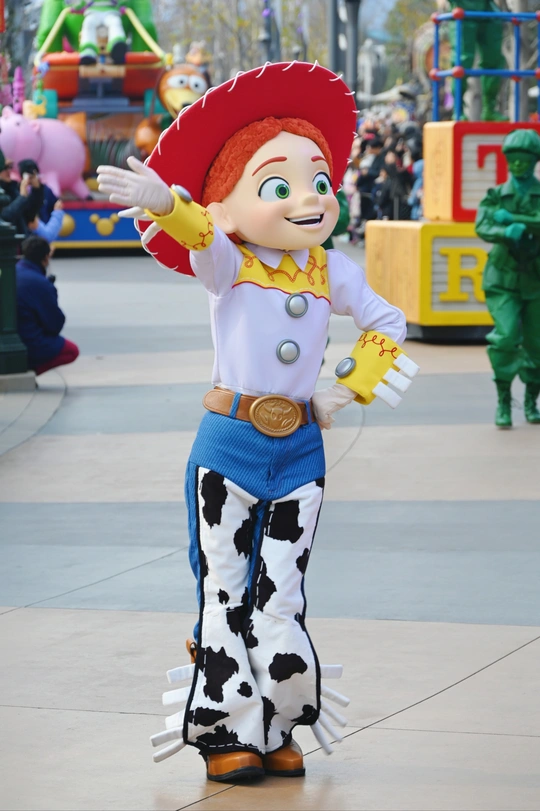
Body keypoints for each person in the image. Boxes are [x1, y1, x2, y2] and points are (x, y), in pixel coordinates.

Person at [97, 62, 419, 783]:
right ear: (229, 206)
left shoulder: (327, 267)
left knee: (283, 591)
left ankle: (278, 722)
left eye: (320, 182)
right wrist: (167, 203)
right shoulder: (227, 261)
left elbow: (388, 321)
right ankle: (224, 729)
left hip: (300, 450)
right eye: (280, 186)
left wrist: (346, 389)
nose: (309, 198)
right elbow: (198, 235)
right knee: (224, 587)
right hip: (231, 446)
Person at [475, 129, 540, 427]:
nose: (518, 164)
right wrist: (504, 232)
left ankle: (530, 401)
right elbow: (482, 225)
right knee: (506, 338)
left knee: (536, 345)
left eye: (524, 158)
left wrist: (514, 219)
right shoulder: (496, 195)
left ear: (534, 160)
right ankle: (503, 399)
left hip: (535, 280)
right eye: (512, 158)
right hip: (503, 279)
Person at [16, 235, 79, 375]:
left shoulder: (13, 271)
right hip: (28, 341)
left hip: (12, 336)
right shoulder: (41, 283)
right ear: (45, 258)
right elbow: (55, 325)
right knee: (71, 351)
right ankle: (30, 370)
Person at [0, 150, 44, 233]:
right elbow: (5, 216)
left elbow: (29, 215)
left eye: (10, 166)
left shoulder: (13, 188)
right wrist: (22, 197)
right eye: (5, 167)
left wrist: (36, 190)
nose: (9, 170)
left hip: (20, 237)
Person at [18, 159, 58, 223]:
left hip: (44, 224)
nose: (31, 178)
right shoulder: (18, 190)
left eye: (33, 175)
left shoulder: (46, 190)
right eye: (28, 175)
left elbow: (55, 207)